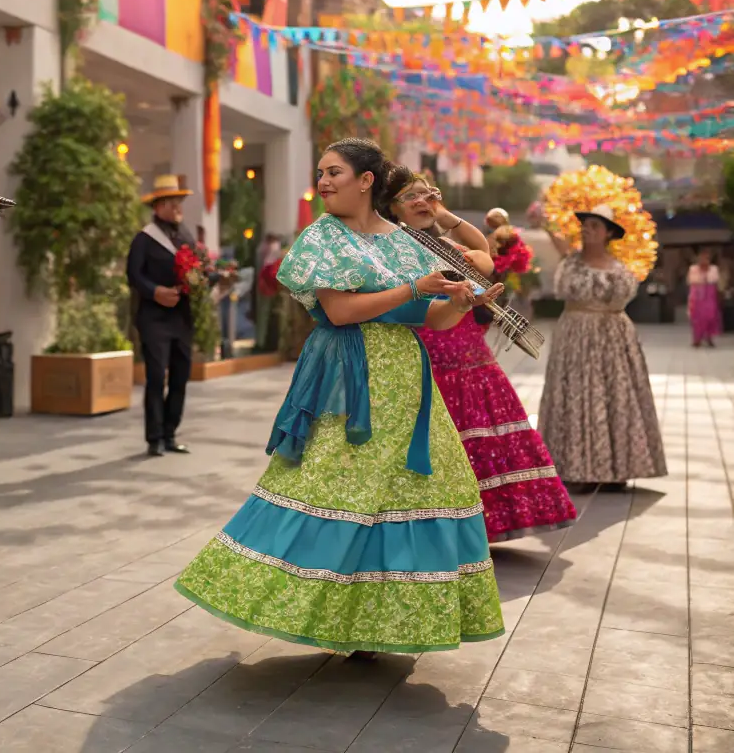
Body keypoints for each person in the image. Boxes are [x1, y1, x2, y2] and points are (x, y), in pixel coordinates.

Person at [175, 139, 506, 656]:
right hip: (347, 380)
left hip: (406, 381)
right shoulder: (320, 238)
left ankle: (379, 622)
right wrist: (413, 290)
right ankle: (313, 608)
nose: (324, 182)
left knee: (407, 495)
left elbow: (433, 318)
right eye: (321, 173)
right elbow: (340, 312)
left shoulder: (405, 241)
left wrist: (464, 301)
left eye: (335, 172)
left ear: (367, 180)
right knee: (334, 487)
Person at [384, 170, 576, 544]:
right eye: (412, 197)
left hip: (472, 355)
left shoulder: (445, 245)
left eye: (429, 194)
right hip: (430, 357)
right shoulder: (395, 248)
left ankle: (485, 527)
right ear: (390, 208)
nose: (423, 202)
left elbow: (485, 260)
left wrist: (442, 214)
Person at [537, 205, 666, 490]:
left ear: (609, 233)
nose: (587, 229)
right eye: (585, 225)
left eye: (595, 225)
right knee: (575, 394)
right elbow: (556, 238)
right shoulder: (571, 262)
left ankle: (615, 469)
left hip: (612, 336)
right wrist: (544, 220)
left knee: (614, 395)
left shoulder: (620, 268)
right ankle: (575, 467)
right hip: (575, 334)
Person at [127, 175, 195, 457]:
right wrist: (155, 292)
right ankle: (154, 437)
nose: (178, 206)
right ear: (158, 206)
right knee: (157, 377)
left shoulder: (186, 235)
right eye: (172, 202)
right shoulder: (144, 238)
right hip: (154, 316)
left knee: (180, 376)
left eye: (179, 201)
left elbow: (198, 267)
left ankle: (170, 434)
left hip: (182, 316)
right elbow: (133, 274)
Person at [688, 248, 723, 348]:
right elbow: (692, 280)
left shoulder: (713, 269)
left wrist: (706, 274)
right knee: (697, 318)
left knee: (710, 316)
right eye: (702, 258)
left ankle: (709, 337)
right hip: (697, 295)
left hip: (710, 295)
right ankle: (697, 339)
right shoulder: (693, 269)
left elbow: (715, 279)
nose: (704, 260)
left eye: (706, 258)